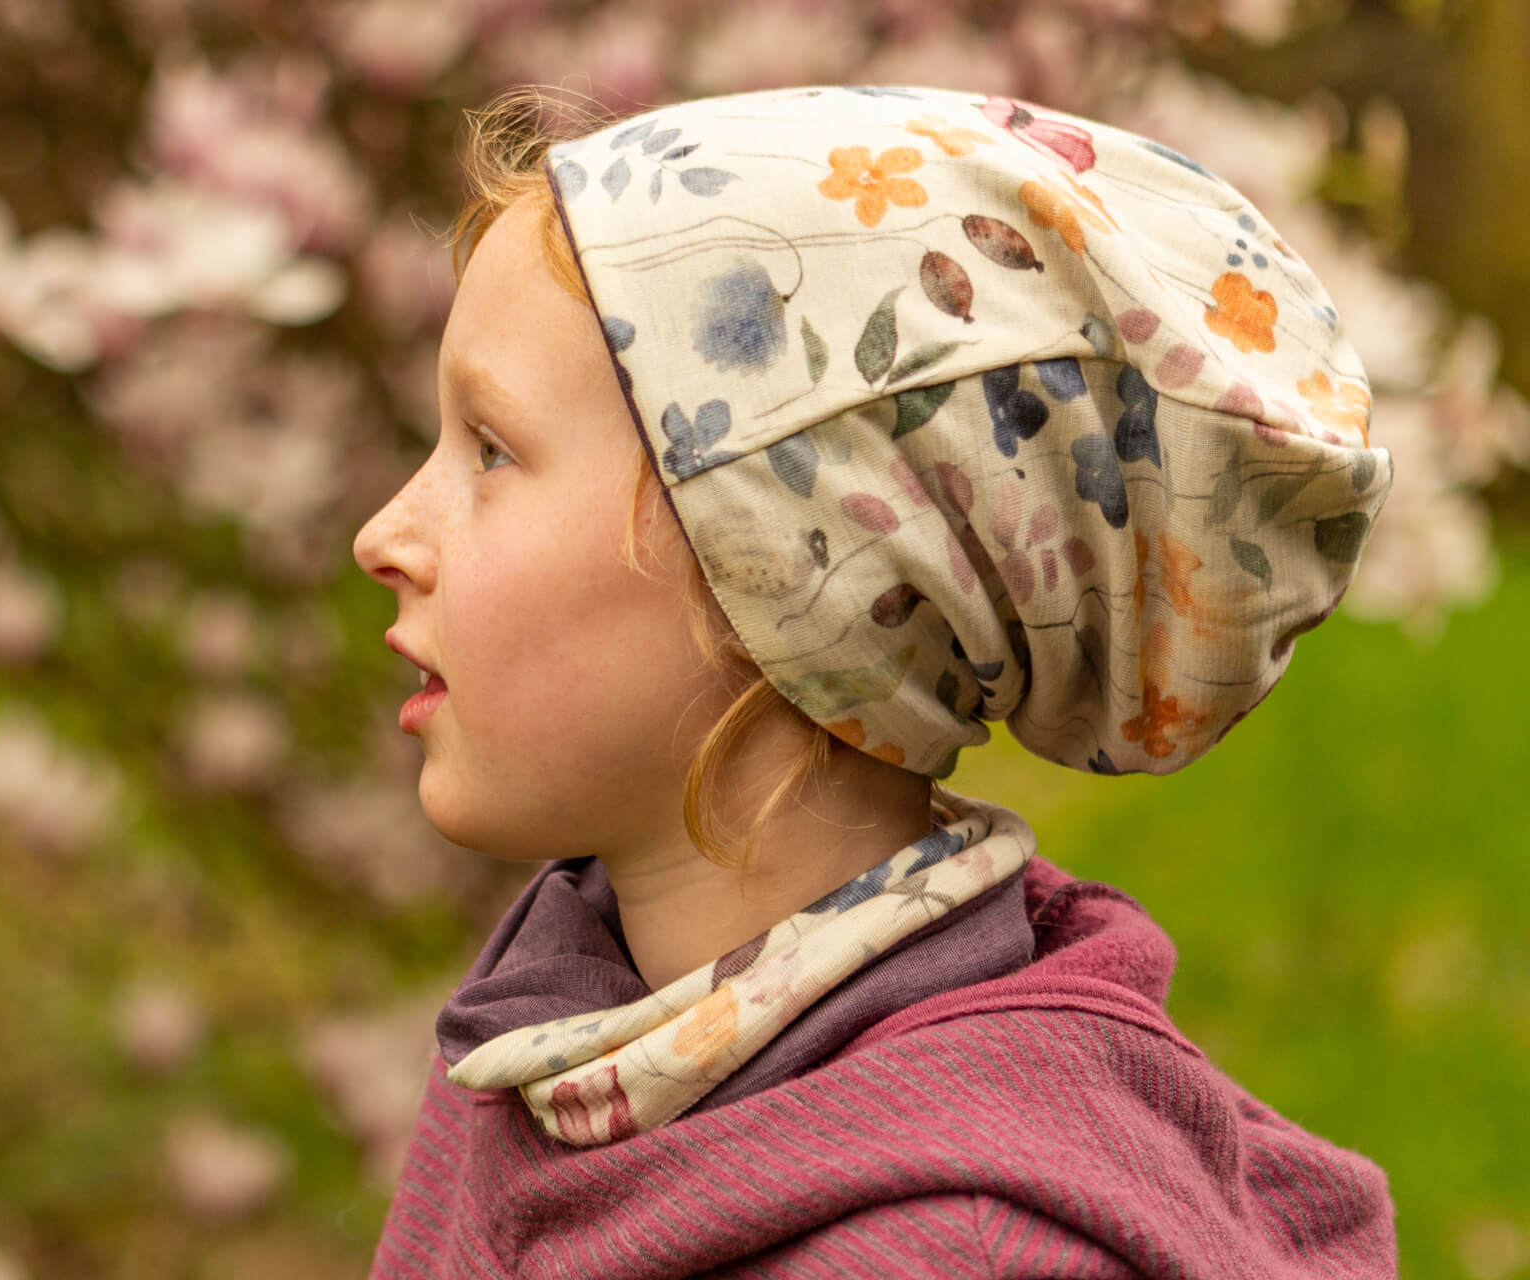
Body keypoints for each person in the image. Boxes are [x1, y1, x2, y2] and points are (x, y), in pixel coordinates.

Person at [354, 84, 1397, 1279]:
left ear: (785, 573)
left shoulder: (948, 1249)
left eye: (491, 449)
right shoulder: (552, 1029)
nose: (384, 533)